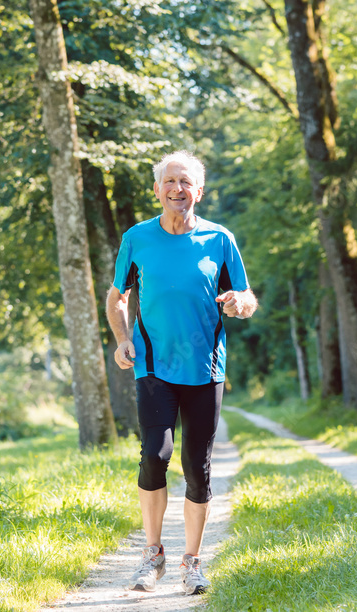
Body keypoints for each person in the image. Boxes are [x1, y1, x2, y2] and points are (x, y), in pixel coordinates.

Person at [106, 150, 258, 595]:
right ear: (157, 190)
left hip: (205, 367)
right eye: (170, 181)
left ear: (199, 191)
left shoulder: (220, 240)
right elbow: (118, 296)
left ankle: (192, 562)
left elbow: (246, 296)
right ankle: (152, 555)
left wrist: (238, 304)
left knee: (198, 466)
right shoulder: (137, 239)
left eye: (186, 182)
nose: (178, 189)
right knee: (155, 454)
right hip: (153, 365)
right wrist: (122, 338)